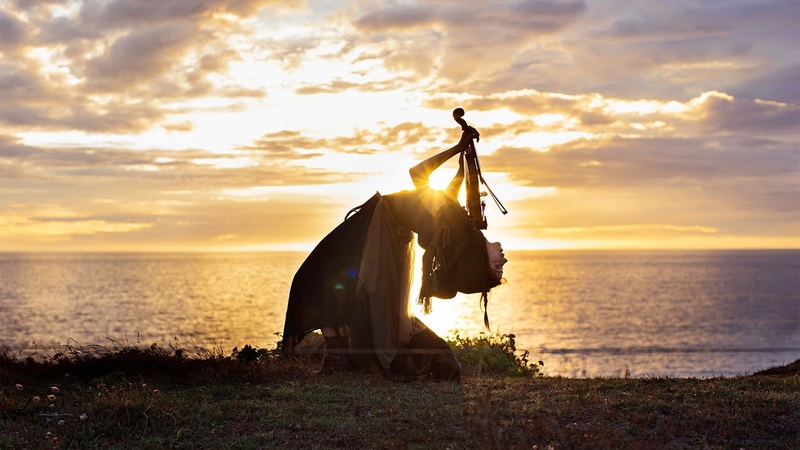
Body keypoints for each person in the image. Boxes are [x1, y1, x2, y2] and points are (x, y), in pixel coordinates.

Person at [281, 124, 507, 381]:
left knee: (316, 274)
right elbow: (450, 196)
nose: (504, 259)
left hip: (377, 225)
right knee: (329, 279)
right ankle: (338, 355)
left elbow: (418, 173)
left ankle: (338, 356)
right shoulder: (459, 232)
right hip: (383, 227)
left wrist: (456, 148)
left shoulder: (454, 235)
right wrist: (462, 156)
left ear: (479, 263)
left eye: (498, 266)